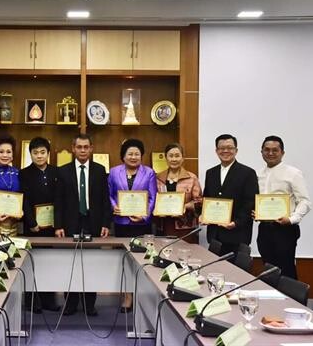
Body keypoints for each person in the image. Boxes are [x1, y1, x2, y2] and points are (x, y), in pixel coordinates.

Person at [55, 134, 111, 316]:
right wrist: (58, 225)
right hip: (71, 222)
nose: (83, 150)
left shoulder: (100, 170)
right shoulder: (62, 171)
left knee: (90, 264)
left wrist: (105, 223)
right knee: (70, 264)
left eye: (86, 147)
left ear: (91, 148)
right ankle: (70, 304)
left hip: (92, 222)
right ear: (73, 148)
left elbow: (104, 200)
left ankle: (89, 305)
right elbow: (59, 202)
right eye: (79, 147)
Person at [108, 138, 156, 312]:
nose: (134, 157)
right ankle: (127, 296)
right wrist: (115, 207)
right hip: (121, 223)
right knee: (124, 260)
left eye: (137, 154)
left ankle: (142, 295)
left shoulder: (149, 173)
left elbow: (152, 197)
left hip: (141, 225)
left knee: (142, 260)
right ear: (123, 156)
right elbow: (109, 194)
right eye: (130, 153)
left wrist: (143, 216)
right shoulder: (114, 172)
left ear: (141, 156)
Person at [255, 136, 311, 279]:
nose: (271, 153)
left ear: (282, 153)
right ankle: (273, 301)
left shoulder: (293, 173)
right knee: (269, 270)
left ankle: (292, 301)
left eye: (275, 150)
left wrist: (292, 219)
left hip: (285, 229)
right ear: (261, 152)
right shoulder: (257, 174)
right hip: (264, 229)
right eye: (266, 150)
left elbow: (304, 201)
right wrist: (255, 212)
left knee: (286, 271)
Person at [19, 136, 60, 313]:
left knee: (50, 263)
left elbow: (60, 199)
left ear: (48, 154)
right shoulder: (24, 173)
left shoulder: (56, 172)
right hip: (33, 227)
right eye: (35, 153)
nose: (39, 156)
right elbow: (24, 201)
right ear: (30, 154)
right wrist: (31, 222)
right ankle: (31, 301)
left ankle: (49, 300)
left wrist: (58, 223)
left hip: (52, 227)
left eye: (42, 152)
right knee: (32, 263)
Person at [203, 134, 258, 256]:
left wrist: (236, 222)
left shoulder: (248, 173)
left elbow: (250, 202)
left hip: (237, 234)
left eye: (229, 147)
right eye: (221, 148)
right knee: (215, 271)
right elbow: (207, 198)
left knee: (235, 273)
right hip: (215, 234)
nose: (225, 151)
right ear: (216, 151)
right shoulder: (211, 173)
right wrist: (203, 215)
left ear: (236, 150)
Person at [156, 143, 203, 239]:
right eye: (171, 156)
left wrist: (184, 206)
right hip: (163, 225)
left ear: (182, 158)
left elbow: (199, 201)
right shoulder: (158, 178)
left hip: (185, 227)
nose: (174, 159)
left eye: (177, 156)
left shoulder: (191, 178)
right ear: (166, 158)